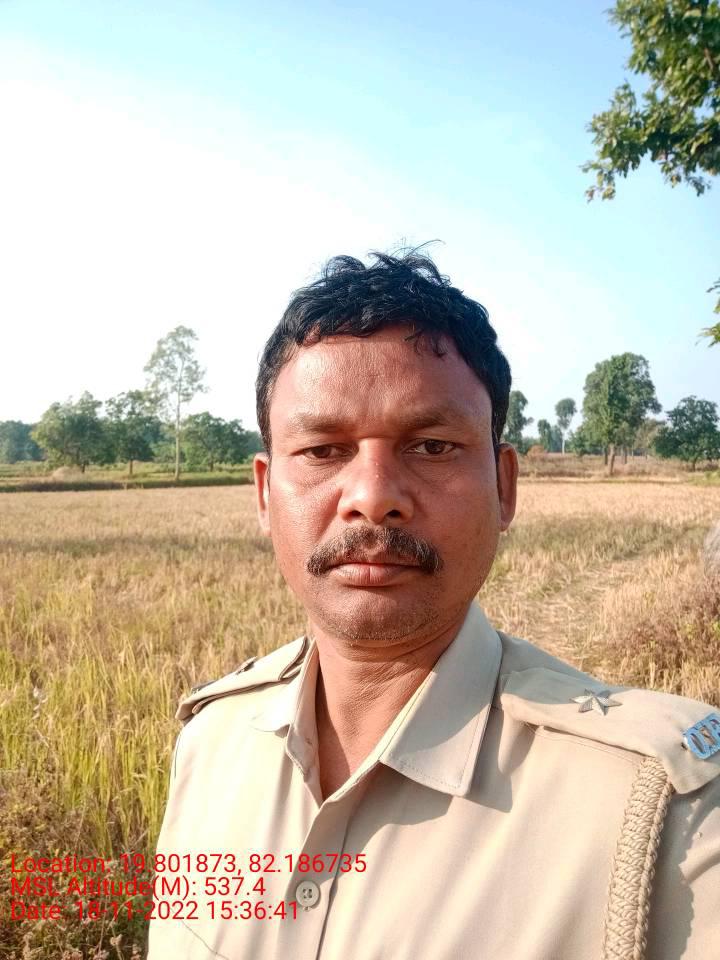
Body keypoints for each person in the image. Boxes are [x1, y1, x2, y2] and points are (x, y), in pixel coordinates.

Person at [148, 250, 720, 960]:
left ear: (504, 488)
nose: (371, 496)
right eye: (323, 450)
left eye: (431, 445)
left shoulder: (669, 814)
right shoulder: (211, 743)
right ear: (265, 494)